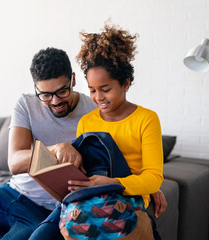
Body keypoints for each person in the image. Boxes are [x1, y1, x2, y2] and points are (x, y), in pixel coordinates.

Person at [0, 47, 166, 240]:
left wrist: (147, 187)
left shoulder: (95, 110)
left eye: (61, 92)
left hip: (44, 211)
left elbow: (117, 158)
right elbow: (14, 162)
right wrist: (55, 149)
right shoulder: (25, 104)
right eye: (45, 94)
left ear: (73, 80)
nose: (54, 101)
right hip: (9, 194)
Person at [59, 24, 164, 239]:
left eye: (106, 89)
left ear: (125, 83)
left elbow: (153, 178)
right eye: (92, 90)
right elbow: (84, 169)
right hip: (91, 196)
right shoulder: (86, 122)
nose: (98, 97)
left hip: (127, 199)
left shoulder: (146, 119)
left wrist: (114, 183)